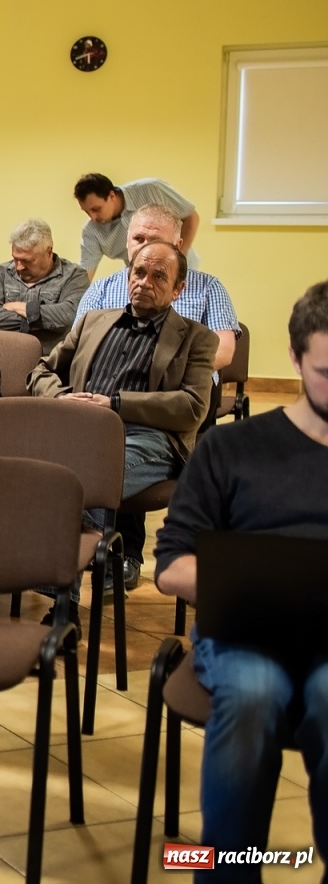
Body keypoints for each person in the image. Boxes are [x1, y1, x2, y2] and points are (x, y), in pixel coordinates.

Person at [152, 281, 328, 875]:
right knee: (255, 693)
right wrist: (255, 584)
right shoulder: (233, 448)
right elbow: (172, 564)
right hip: (246, 633)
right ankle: (228, 870)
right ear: (297, 358)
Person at [30, 240, 218, 592]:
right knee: (41, 475)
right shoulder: (93, 321)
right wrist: (62, 397)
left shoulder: (197, 338)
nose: (144, 282)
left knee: (78, 482)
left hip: (148, 439)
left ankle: (61, 594)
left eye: (158, 276)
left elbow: (192, 406)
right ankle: (104, 564)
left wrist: (115, 403)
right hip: (79, 432)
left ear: (178, 289)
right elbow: (41, 370)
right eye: (139, 272)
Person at [77, 204, 241, 372]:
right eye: (138, 239)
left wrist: (169, 374)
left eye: (155, 240)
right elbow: (81, 343)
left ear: (177, 245)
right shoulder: (101, 290)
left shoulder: (208, 288)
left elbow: (224, 351)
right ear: (127, 241)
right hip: (109, 384)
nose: (144, 248)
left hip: (180, 388)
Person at [0, 218, 89, 354]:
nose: (19, 267)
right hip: (5, 361)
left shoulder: (75, 276)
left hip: (53, 364)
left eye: (27, 260)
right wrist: (41, 320)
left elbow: (69, 316)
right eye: (15, 259)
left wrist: (17, 307)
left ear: (48, 252)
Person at [74, 172, 200, 278]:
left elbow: (190, 217)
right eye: (86, 211)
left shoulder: (151, 189)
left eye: (96, 209)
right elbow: (86, 271)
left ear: (112, 196)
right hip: (141, 276)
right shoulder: (91, 231)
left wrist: (176, 260)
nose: (93, 217)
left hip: (183, 270)